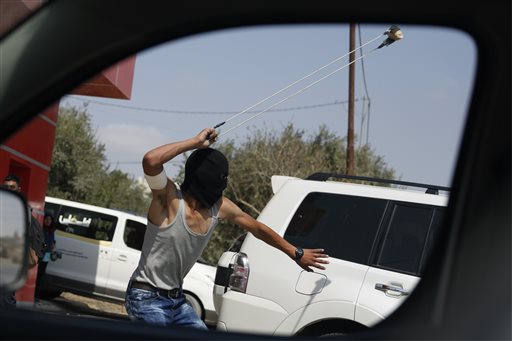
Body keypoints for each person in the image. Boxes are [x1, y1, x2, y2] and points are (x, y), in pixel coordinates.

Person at [125, 128, 329, 329]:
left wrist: (294, 252)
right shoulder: (169, 200)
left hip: (177, 301)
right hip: (145, 297)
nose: (226, 183)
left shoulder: (219, 207)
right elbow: (151, 160)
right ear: (207, 177)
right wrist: (195, 143)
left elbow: (257, 228)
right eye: (223, 177)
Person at [0, 174, 44, 308]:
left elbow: (35, 252)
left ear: (19, 190)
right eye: (5, 187)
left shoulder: (25, 217)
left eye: (12, 187)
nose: (8, 189)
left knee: (4, 305)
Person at [35, 213, 57, 299]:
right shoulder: (40, 228)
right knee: (34, 273)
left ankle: (36, 294)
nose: (48, 221)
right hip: (39, 253)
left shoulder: (51, 231)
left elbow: (52, 242)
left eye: (50, 220)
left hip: (46, 254)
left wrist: (53, 248)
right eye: (46, 219)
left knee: (40, 275)